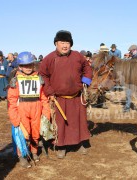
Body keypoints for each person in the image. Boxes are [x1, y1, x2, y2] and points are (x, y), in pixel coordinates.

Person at [39, 30, 92, 158]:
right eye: (62, 42)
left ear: (71, 44)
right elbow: (43, 75)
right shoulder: (49, 58)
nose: (65, 45)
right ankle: (60, 147)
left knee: (78, 123)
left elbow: (87, 69)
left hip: (76, 98)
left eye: (67, 42)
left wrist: (85, 82)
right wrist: (50, 92)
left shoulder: (78, 56)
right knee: (60, 123)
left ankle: (79, 144)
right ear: (56, 43)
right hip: (58, 99)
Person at [8, 51, 50, 168]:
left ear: (33, 65)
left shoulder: (38, 78)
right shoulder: (15, 80)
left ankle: (34, 152)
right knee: (23, 134)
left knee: (35, 132)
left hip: (36, 108)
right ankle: (22, 156)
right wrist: (14, 117)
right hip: (22, 108)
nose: (27, 68)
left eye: (30, 65)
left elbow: (43, 97)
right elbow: (11, 100)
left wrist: (46, 113)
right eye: (24, 65)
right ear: (20, 66)